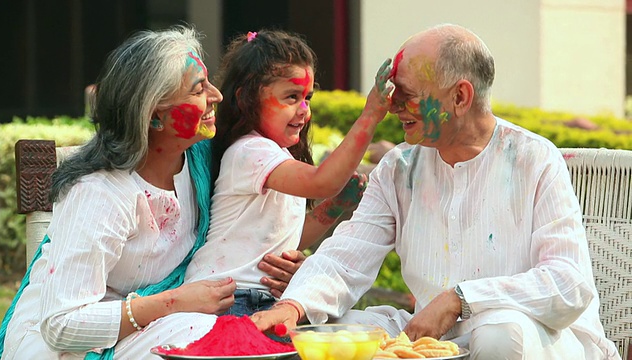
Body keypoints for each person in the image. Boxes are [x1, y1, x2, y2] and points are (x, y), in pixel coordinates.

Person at [250, 23, 621, 360]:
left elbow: (568, 283)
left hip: (541, 340)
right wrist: (294, 307)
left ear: (460, 97)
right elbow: (347, 256)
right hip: (438, 342)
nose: (392, 106)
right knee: (332, 333)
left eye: (406, 94)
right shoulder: (399, 168)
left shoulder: (533, 159)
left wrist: (461, 299)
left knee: (501, 331)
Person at [0, 26, 304, 360]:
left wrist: (285, 266)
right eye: (199, 89)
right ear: (155, 116)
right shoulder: (100, 194)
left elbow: (245, 231)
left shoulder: (200, 160)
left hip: (161, 323)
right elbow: (60, 325)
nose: (217, 96)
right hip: (65, 345)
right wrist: (174, 302)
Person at [184, 29, 393, 316]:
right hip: (228, 299)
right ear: (247, 99)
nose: (304, 110)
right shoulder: (249, 151)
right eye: (291, 97)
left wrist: (332, 209)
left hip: (258, 299)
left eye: (307, 97)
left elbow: (287, 239)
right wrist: (371, 114)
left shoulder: (276, 157)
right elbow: (323, 182)